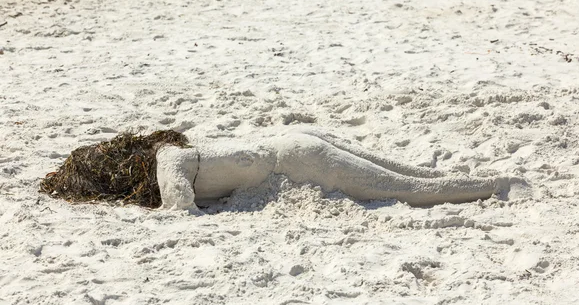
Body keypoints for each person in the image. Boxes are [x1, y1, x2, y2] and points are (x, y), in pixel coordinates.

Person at [156, 128, 511, 211]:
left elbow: (181, 201)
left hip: (297, 161)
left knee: (403, 188)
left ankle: (495, 186)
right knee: (404, 173)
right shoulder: (189, 147)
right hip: (292, 142)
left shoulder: (170, 159)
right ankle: (489, 184)